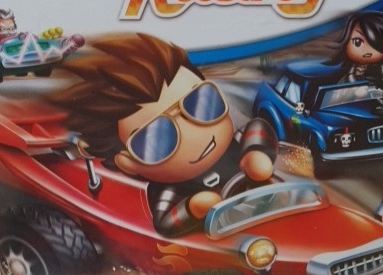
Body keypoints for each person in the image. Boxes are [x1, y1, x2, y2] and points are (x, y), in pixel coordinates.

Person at [58, 33, 277, 237]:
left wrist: (256, 153)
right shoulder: (170, 191)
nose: (194, 132)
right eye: (156, 139)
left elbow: (257, 127)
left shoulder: (235, 146)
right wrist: (193, 208)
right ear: (126, 162)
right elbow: (165, 223)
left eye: (201, 103)